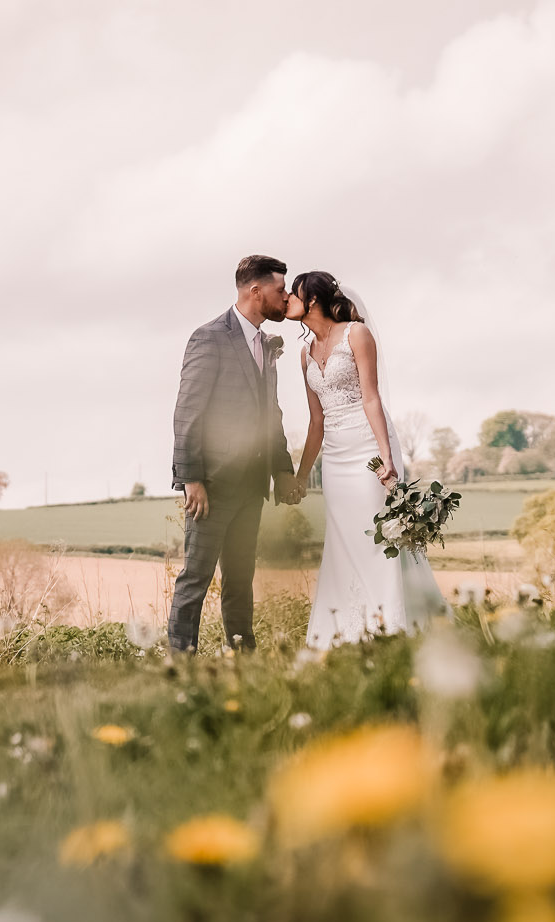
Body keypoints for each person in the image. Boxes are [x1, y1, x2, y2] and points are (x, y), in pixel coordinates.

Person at [287, 271, 446, 647]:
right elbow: (316, 421)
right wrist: (301, 474)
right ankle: (345, 631)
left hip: (368, 448)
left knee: (380, 537)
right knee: (342, 543)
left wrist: (386, 458)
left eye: (292, 295)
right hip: (336, 460)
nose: (286, 302)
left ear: (311, 299)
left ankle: (393, 627)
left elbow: (371, 398)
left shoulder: (356, 334)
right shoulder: (303, 353)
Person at [168, 254, 299, 651]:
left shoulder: (266, 344)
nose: (286, 297)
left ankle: (245, 660)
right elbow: (188, 411)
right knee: (196, 578)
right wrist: (191, 479)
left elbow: (269, 415)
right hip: (212, 485)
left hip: (250, 488)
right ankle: (179, 665)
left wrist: (283, 470)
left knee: (241, 581)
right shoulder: (209, 337)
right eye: (280, 290)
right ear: (255, 291)